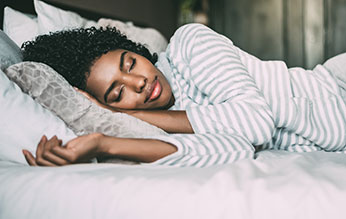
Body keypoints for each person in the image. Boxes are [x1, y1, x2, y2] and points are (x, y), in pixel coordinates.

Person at [21, 23, 346, 167]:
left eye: (130, 63)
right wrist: (103, 142)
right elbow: (233, 149)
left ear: (137, 51)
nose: (138, 83)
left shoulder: (191, 43)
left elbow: (256, 122)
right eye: (118, 93)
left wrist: (124, 113)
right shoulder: (168, 121)